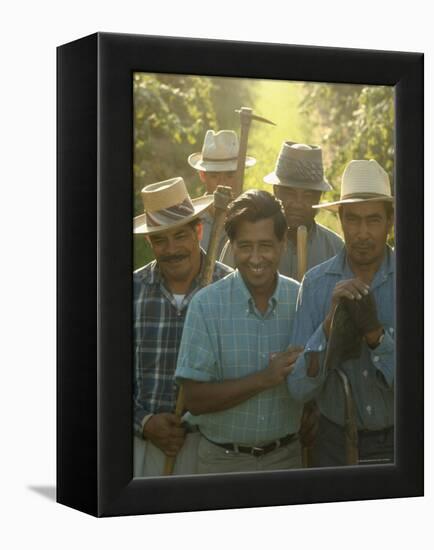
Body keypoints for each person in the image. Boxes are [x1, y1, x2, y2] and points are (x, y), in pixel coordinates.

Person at [175, 190, 303, 474]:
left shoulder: (300, 300)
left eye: (266, 245)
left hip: (286, 460)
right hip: (221, 463)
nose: (256, 258)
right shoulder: (206, 306)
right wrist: (265, 379)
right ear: (231, 245)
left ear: (283, 243)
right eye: (245, 246)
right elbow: (194, 401)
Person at [288, 159, 395, 467]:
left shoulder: (417, 281)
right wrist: (328, 325)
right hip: (334, 443)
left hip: (408, 439)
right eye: (353, 220)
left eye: (373, 220)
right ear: (341, 221)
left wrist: (377, 337)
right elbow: (297, 387)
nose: (362, 233)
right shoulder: (316, 285)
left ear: (390, 221)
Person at [133, 177, 232, 477]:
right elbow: (105, 375)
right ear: (149, 243)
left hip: (211, 446)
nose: (172, 249)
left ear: (198, 231)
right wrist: (145, 422)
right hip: (143, 446)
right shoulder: (129, 291)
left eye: (180, 236)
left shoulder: (227, 289)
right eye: (160, 239)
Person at [220, 141, 343, 281]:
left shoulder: (335, 249)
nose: (298, 203)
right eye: (290, 193)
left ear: (319, 198)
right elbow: (222, 292)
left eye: (308, 195)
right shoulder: (243, 243)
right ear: (276, 192)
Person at [188, 129, 256, 257]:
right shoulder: (191, 221)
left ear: (240, 175)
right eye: (214, 176)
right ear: (203, 175)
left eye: (230, 175)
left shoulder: (253, 217)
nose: (222, 183)